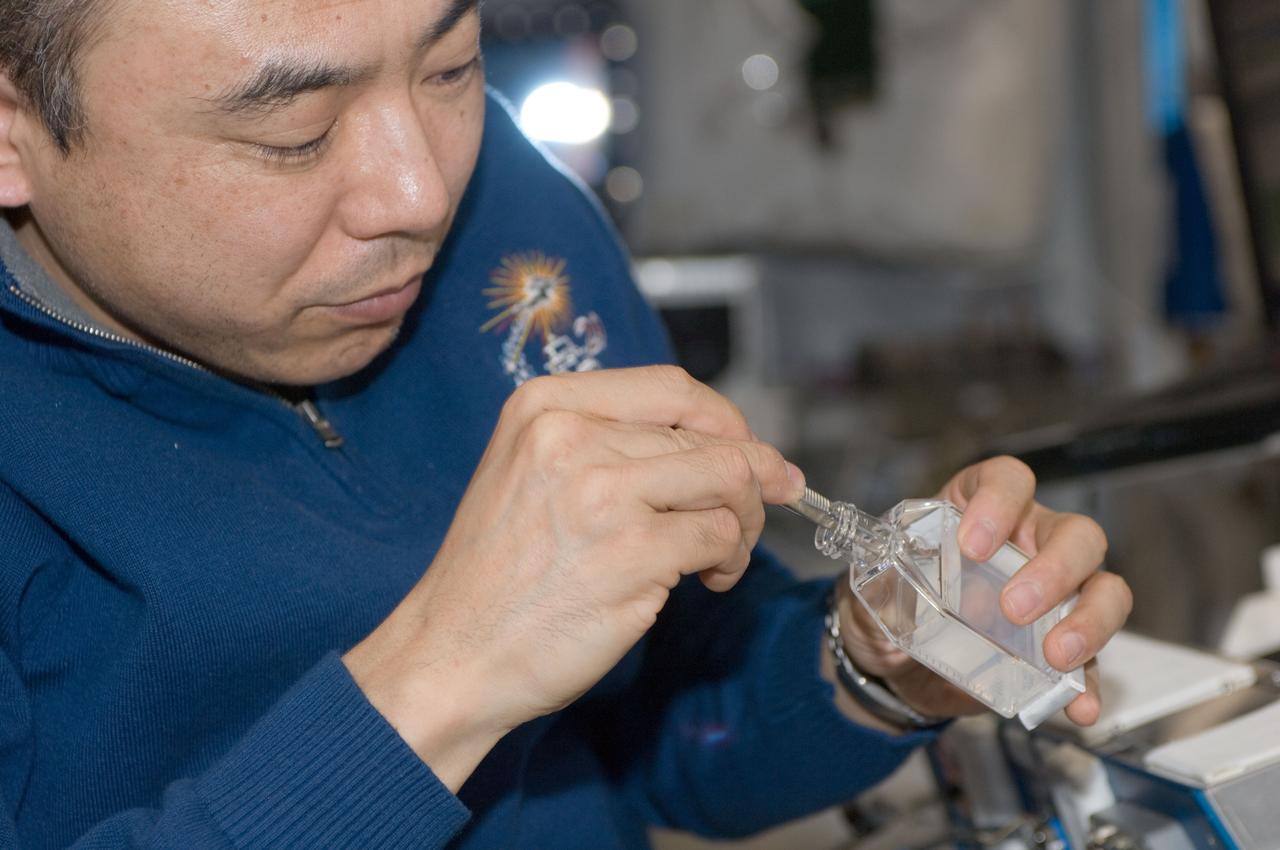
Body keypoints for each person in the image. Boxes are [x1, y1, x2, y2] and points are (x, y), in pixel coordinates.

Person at [0, 0, 1131, 846]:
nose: (418, 195)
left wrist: (872, 664)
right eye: (294, 134)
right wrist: (440, 681)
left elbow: (661, 734)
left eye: (450, 63)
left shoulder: (508, 200)